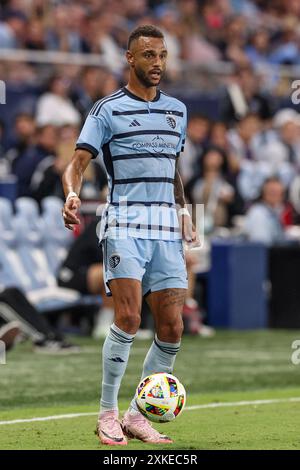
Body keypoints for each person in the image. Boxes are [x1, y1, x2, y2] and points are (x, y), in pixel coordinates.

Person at [62, 24, 199, 446]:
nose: (157, 63)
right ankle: (106, 413)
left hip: (166, 229)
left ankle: (137, 415)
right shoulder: (106, 110)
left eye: (162, 56)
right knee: (127, 317)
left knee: (173, 327)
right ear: (130, 59)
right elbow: (78, 162)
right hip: (124, 223)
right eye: (148, 56)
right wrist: (71, 193)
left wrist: (184, 211)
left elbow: (172, 169)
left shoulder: (177, 109)